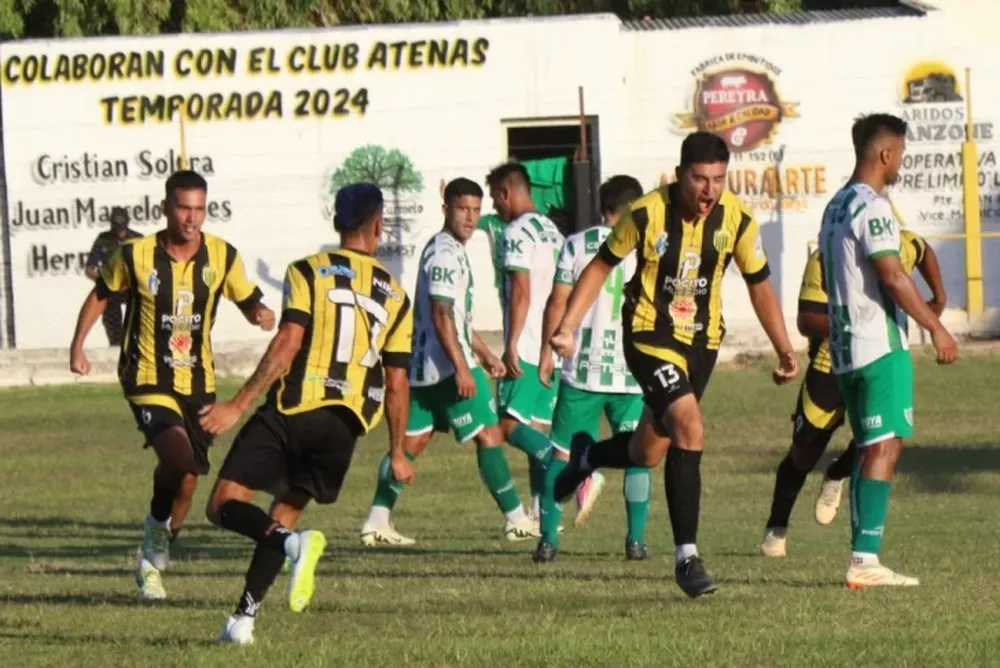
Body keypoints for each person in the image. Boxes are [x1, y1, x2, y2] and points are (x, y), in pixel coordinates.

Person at [550, 131, 800, 598]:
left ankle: (588, 456)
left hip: (701, 344)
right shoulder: (645, 213)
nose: (709, 191)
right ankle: (687, 558)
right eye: (700, 179)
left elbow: (759, 284)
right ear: (680, 174)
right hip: (648, 333)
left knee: (649, 451)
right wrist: (567, 325)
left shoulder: (738, 222)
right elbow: (601, 267)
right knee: (690, 424)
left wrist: (785, 348)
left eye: (718, 180)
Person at [198, 182, 415, 644]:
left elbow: (288, 343)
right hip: (344, 429)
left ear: (337, 222)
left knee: (222, 506)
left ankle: (293, 548)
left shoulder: (307, 271)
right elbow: (396, 382)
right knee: (284, 514)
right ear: (378, 224)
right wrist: (397, 451)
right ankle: (243, 620)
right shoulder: (396, 296)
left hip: (295, 408)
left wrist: (238, 404)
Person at [69, 170, 275, 601]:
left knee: (187, 478)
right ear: (165, 208)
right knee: (179, 457)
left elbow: (247, 296)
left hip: (198, 382)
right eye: (184, 208)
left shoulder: (221, 254)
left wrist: (260, 313)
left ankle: (153, 550)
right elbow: (101, 295)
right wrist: (78, 346)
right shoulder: (136, 255)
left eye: (199, 209)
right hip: (147, 377)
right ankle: (156, 539)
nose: (192, 218)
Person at [816, 113, 957, 588]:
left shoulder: (836, 205)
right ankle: (865, 558)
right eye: (900, 153)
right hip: (878, 343)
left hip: (845, 347)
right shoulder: (873, 207)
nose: (901, 162)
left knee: (868, 447)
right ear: (885, 154)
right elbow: (893, 275)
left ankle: (862, 557)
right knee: (884, 445)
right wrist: (936, 327)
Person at [359, 177, 541, 545]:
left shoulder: (446, 248)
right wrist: (462, 367)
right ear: (446, 209)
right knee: (489, 435)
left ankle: (377, 520)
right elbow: (442, 315)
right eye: (462, 209)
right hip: (444, 367)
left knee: (412, 444)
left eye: (476, 210)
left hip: (426, 366)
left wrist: (484, 353)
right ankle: (517, 519)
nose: (470, 218)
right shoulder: (444, 251)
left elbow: (454, 316)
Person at [761, 216, 946, 557]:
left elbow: (923, 250)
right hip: (830, 365)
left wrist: (939, 297)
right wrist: (859, 320)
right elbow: (806, 320)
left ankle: (838, 474)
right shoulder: (824, 260)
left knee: (879, 439)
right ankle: (777, 526)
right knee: (804, 451)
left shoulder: (897, 247)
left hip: (879, 359)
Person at [533, 174, 651, 563]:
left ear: (603, 208)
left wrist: (547, 351)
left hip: (581, 369)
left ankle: (548, 540)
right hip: (632, 372)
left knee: (563, 455)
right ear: (635, 208)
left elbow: (557, 301)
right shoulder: (648, 244)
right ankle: (635, 541)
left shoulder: (576, 245)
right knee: (637, 454)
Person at [487, 162, 577, 525]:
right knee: (536, 429)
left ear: (507, 193)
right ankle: (543, 513)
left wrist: (509, 344)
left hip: (526, 345)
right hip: (551, 347)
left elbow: (521, 291)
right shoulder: (553, 232)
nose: (496, 209)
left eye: (495, 201)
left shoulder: (518, 231)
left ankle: (577, 475)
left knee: (508, 426)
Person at [85, 206, 142, 346]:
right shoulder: (103, 239)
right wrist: (102, 281)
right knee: (110, 310)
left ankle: (137, 342)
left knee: (141, 310)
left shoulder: (138, 239)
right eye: (116, 227)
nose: (119, 231)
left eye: (121, 228)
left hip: (133, 286)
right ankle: (116, 344)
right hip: (112, 286)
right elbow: (90, 268)